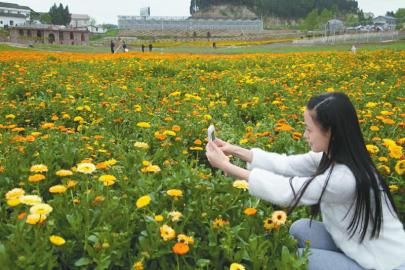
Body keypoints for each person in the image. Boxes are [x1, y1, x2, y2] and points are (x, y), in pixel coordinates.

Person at [205, 92, 405, 270]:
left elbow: (287, 191)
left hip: (384, 263)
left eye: (309, 130)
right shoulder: (333, 156)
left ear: (331, 133)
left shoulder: (345, 179)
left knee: (299, 258)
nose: (304, 135)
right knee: (300, 228)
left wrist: (226, 166)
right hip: (355, 244)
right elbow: (285, 165)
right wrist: (233, 150)